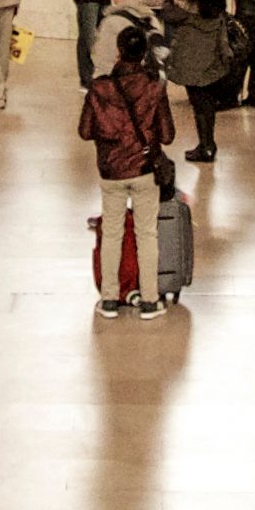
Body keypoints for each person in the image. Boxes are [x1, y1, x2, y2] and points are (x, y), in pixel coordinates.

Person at [79, 26, 173, 318]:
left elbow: (84, 131)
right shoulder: (154, 86)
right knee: (147, 234)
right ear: (144, 52)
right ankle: (149, 300)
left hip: (111, 172)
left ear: (119, 51)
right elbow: (167, 134)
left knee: (112, 234)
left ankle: (109, 299)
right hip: (145, 170)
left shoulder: (99, 88)